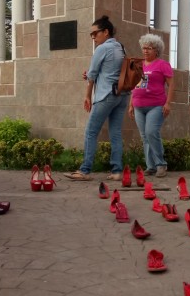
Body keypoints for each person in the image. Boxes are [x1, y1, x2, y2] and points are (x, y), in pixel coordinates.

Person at [64, 15, 130, 181]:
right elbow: (113, 71)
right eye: (91, 35)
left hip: (106, 94)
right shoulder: (121, 48)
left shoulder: (102, 49)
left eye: (95, 33)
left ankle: (85, 170)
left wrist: (87, 96)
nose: (93, 37)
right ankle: (116, 171)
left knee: (91, 132)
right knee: (115, 133)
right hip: (122, 95)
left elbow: (92, 74)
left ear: (106, 32)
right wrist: (93, 75)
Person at [128, 33, 174, 178]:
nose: (146, 51)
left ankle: (161, 164)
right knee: (145, 136)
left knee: (151, 132)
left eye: (149, 48)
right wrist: (131, 105)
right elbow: (134, 85)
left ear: (157, 50)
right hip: (138, 105)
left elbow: (171, 85)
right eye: (144, 48)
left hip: (156, 105)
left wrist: (168, 103)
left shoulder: (162, 65)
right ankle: (151, 166)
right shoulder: (138, 65)